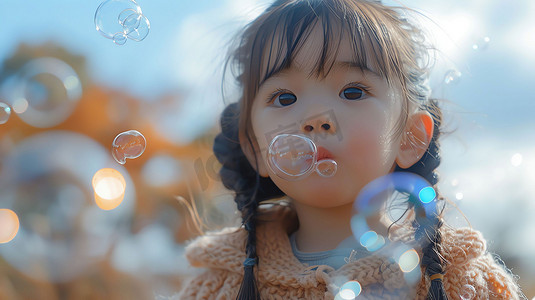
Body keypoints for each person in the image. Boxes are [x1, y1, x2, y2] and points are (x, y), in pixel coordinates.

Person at [178, 0, 525, 299]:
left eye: (353, 92)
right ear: (254, 149)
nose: (315, 119)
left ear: (409, 137)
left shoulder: (460, 279)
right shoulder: (220, 284)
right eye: (285, 98)